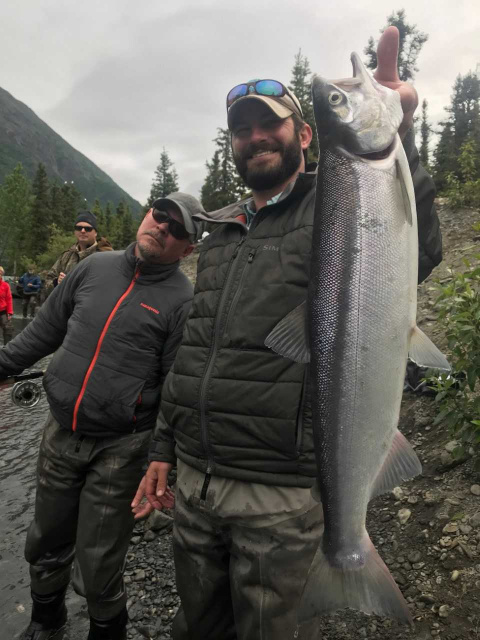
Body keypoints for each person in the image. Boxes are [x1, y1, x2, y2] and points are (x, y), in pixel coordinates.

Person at [132, 28, 443, 640]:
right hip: (196, 483)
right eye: (241, 130)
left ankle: (348, 552)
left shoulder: (336, 202)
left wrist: (400, 132)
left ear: (304, 135)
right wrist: (164, 450)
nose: (255, 138)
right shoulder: (217, 233)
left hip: (279, 495)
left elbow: (418, 247)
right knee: (198, 627)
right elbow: (194, 351)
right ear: (233, 148)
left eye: (268, 124)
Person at [0, 193, 204, 640]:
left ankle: (107, 629)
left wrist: (162, 458)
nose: (162, 227)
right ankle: (45, 620)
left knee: (98, 558)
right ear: (146, 215)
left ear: (188, 248)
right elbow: (44, 330)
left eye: (177, 229)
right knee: (46, 538)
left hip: (121, 446)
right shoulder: (93, 268)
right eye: (159, 215)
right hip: (60, 431)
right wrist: (2, 365)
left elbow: (175, 390)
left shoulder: (182, 302)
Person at [45, 210, 113, 294]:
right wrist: (57, 283)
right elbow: (48, 280)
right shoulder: (66, 256)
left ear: (95, 232)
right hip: (66, 306)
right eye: (79, 228)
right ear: (75, 231)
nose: (83, 231)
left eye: (88, 228)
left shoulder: (106, 256)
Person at [0, 266, 14, 345]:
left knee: (8, 328)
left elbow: (9, 299)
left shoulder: (6, 285)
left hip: (3, 311)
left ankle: (6, 348)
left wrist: (10, 312)